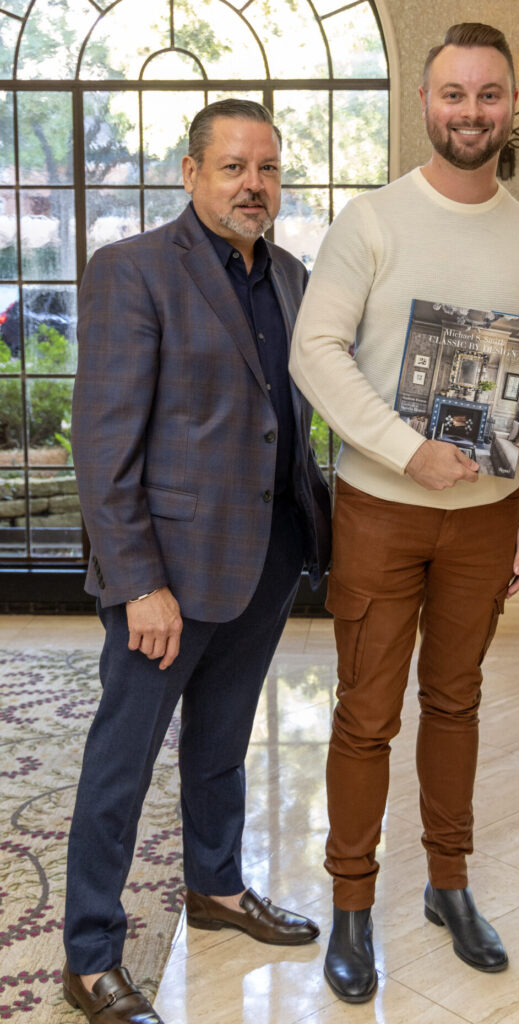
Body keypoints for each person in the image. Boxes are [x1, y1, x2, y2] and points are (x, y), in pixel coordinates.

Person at [289, 23, 519, 1004]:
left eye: (489, 95)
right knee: (366, 714)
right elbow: (314, 352)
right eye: (454, 93)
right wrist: (408, 450)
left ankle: (449, 884)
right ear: (425, 103)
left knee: (456, 703)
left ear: (510, 107)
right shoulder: (371, 220)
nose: (471, 112)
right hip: (381, 509)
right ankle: (352, 903)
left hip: (486, 517)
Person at [62, 99, 331, 1024]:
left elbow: (286, 417)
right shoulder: (133, 270)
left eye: (268, 168)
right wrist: (139, 581)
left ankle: (216, 886)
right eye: (233, 167)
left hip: (267, 559)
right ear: (190, 173)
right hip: (167, 577)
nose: (254, 184)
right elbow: (102, 446)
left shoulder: (290, 275)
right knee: (123, 763)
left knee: (222, 743)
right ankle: (90, 953)